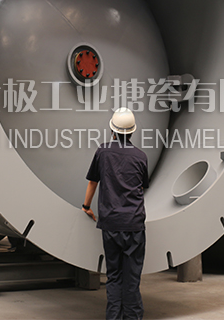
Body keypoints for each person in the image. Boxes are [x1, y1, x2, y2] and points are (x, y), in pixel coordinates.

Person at [82, 107, 149, 320]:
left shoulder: (102, 152)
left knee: (114, 276)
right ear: (132, 131)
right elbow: (141, 187)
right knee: (132, 279)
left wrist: (86, 206)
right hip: (134, 224)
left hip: (110, 224)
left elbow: (93, 182)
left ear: (112, 130)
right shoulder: (141, 156)